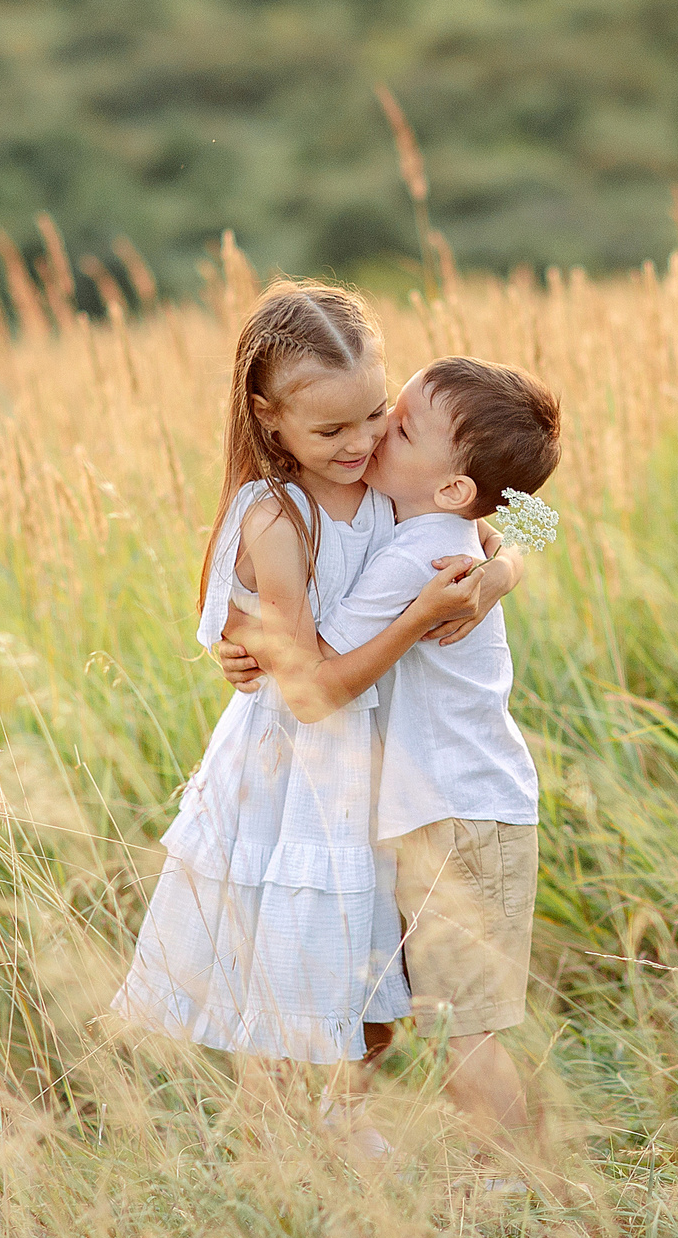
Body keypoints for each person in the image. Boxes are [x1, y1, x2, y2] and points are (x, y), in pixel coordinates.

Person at [110, 284, 522, 1150]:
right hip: (296, 770)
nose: (363, 441)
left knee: (363, 969)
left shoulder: (386, 487)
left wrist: (500, 570)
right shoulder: (276, 514)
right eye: (332, 430)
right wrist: (408, 621)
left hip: (373, 772)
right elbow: (306, 686)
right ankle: (273, 1138)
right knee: (295, 967)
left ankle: (335, 1122)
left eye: (378, 414)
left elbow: (506, 511)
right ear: (270, 420)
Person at [220, 355, 562, 1179]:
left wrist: (242, 628)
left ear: (451, 486)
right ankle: (358, 1132)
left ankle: (523, 1180)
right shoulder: (430, 522)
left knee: (462, 1027)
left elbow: (319, 666)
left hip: (457, 818)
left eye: (397, 425)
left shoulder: (417, 557)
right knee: (404, 998)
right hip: (453, 810)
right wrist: (505, 567)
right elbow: (526, 522)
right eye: (384, 410)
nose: (375, 433)